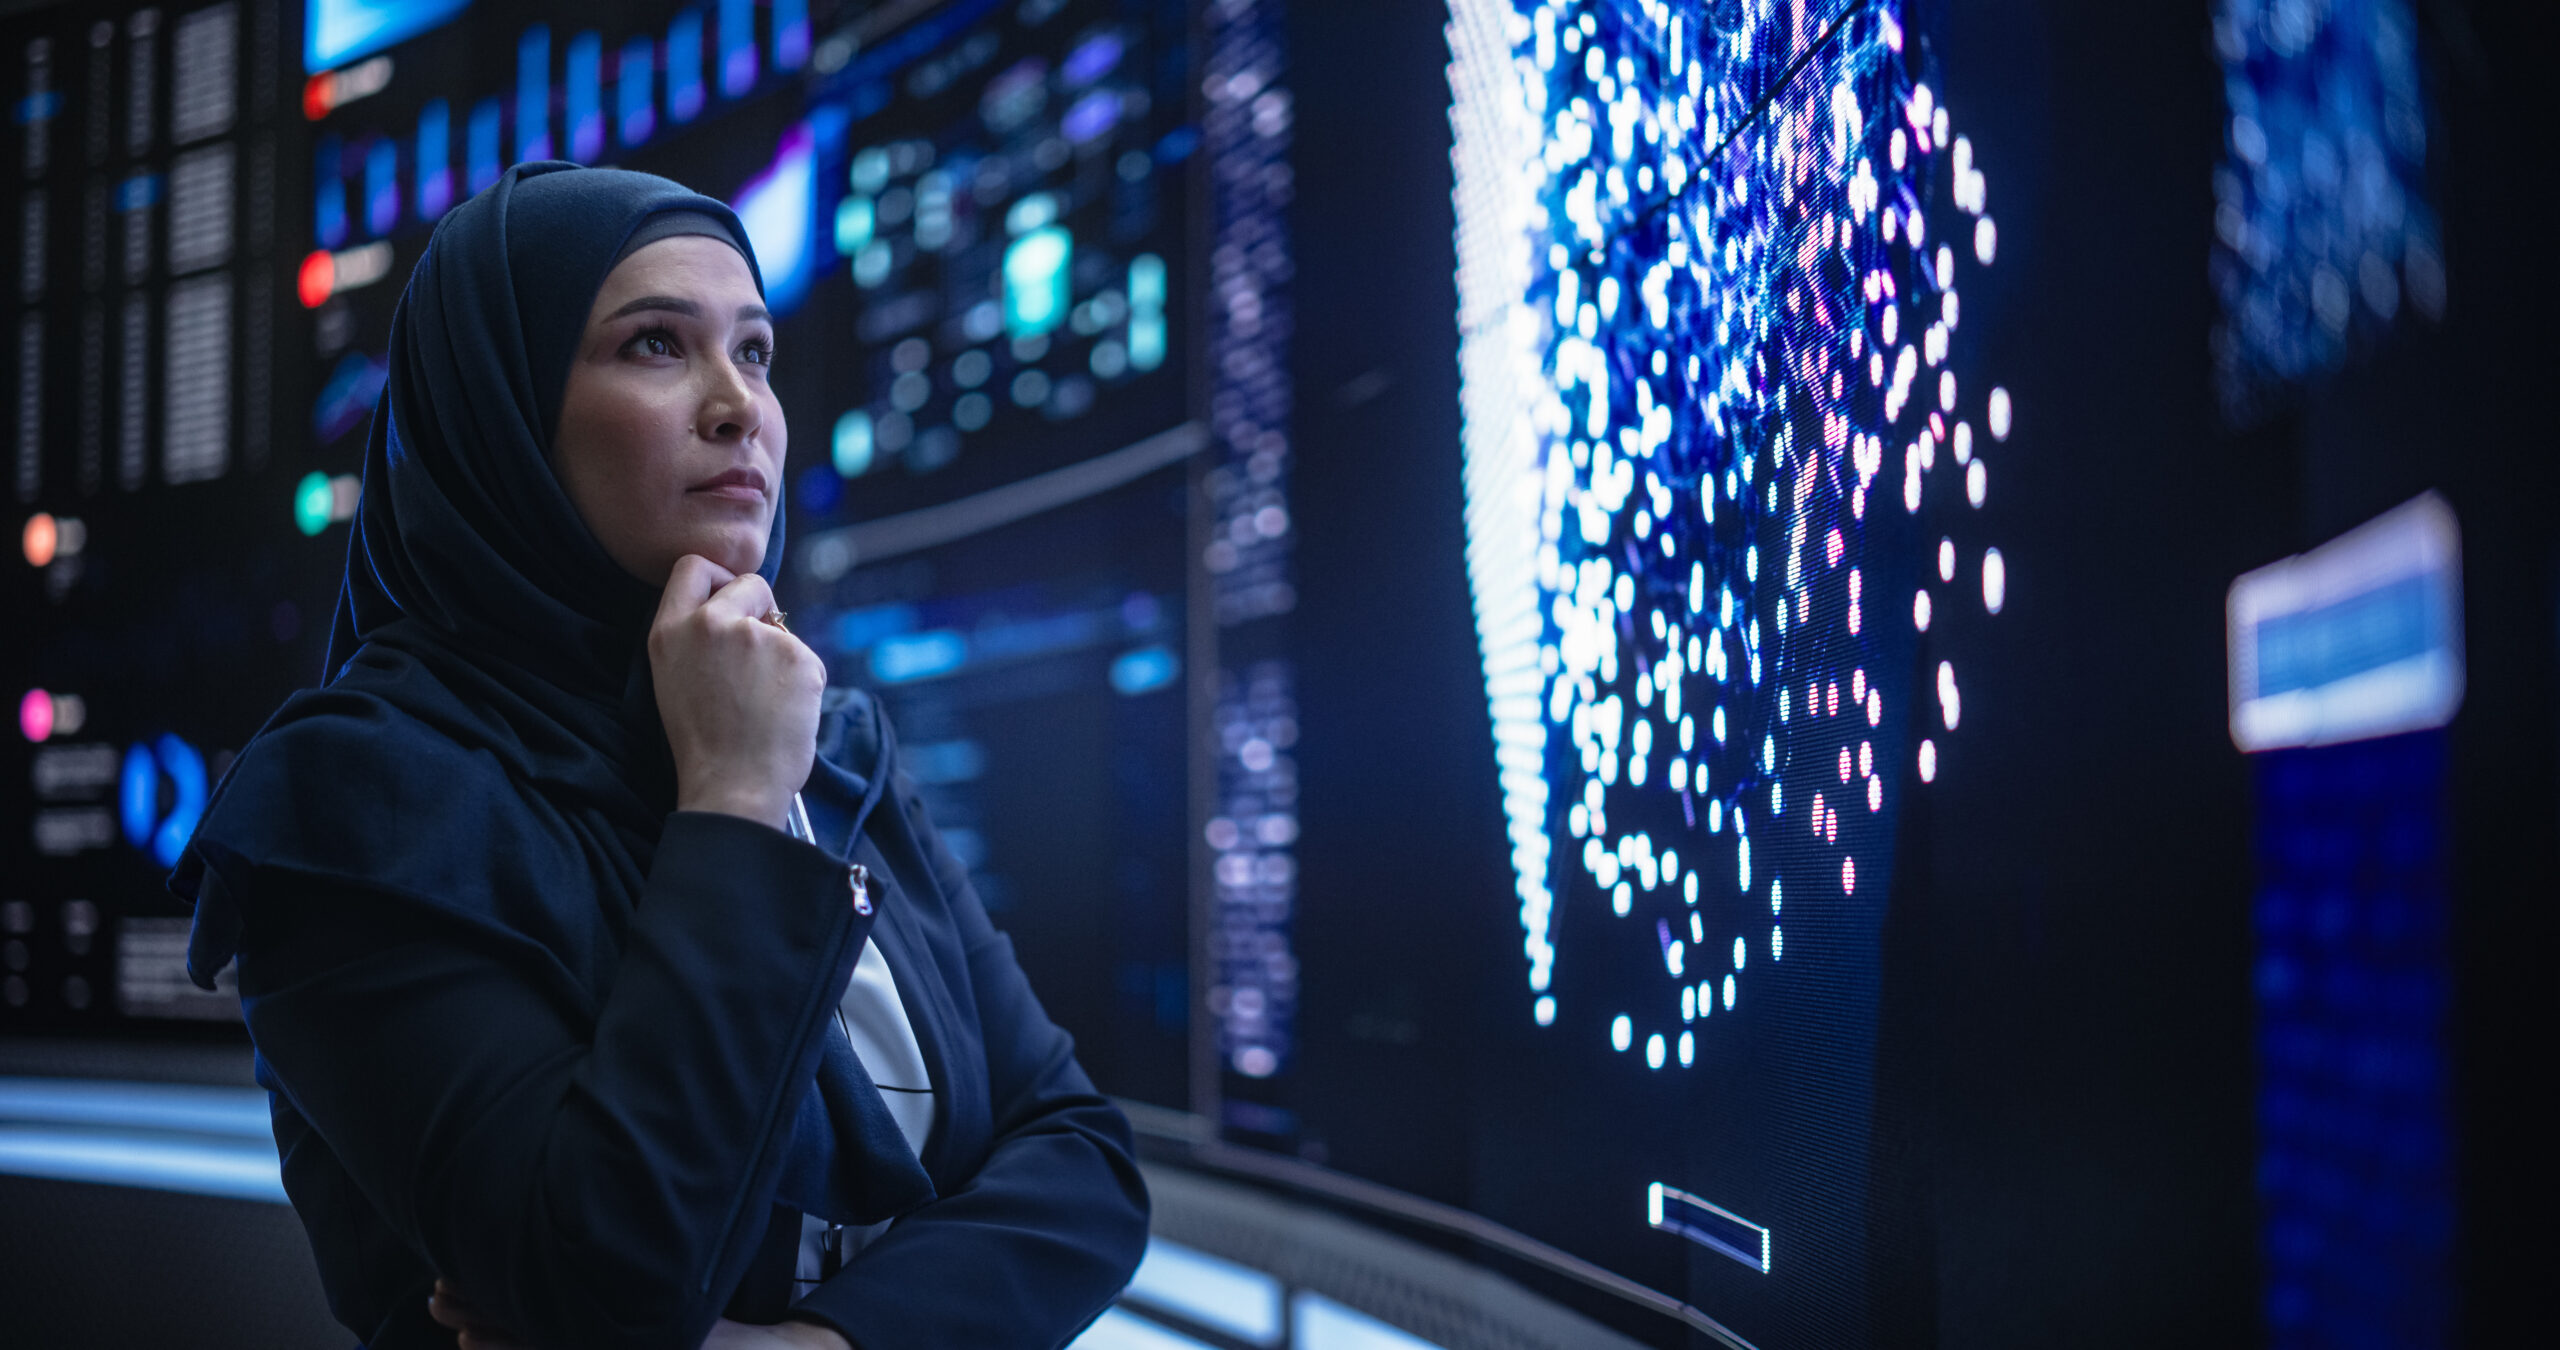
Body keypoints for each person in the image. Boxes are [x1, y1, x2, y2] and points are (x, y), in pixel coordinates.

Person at [171, 162, 1149, 1350]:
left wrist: (821, 1346)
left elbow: (1087, 1163)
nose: (739, 405)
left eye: (756, 352)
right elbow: (611, 1279)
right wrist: (733, 797)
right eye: (653, 345)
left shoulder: (830, 741)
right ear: (504, 415)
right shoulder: (349, 802)